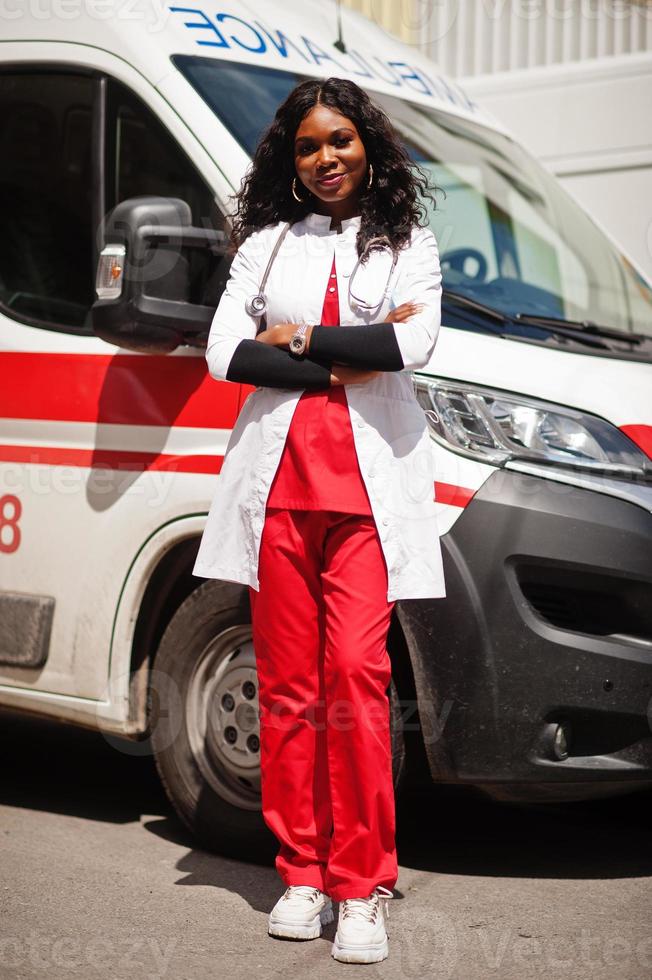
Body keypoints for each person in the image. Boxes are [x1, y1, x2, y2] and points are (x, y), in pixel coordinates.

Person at [192, 76, 446, 965]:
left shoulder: (408, 239)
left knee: (357, 686)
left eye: (339, 140)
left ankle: (363, 881)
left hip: (369, 498)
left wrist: (296, 340)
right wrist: (337, 361)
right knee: (291, 691)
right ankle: (302, 873)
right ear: (290, 161)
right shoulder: (265, 242)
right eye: (308, 146)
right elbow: (226, 349)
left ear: (365, 144)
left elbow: (412, 346)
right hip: (279, 494)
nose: (326, 157)